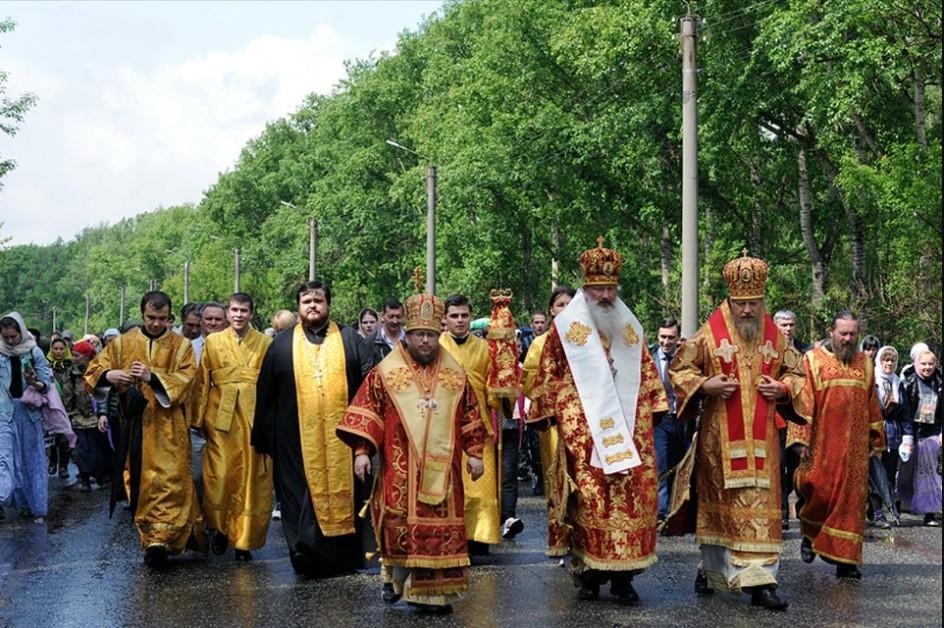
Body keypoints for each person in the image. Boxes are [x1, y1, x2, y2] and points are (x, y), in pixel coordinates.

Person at [529, 238, 666, 605]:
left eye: (610, 288)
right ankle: (588, 573)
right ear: (585, 290)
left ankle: (624, 577)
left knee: (631, 500)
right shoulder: (564, 328)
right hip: (584, 432)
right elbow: (549, 374)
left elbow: (647, 373)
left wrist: (654, 407)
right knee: (588, 502)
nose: (605, 295)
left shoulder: (630, 327)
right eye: (597, 288)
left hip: (630, 433)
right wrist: (557, 413)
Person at [669, 253, 806, 611]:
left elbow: (799, 376)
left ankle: (762, 582)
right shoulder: (709, 334)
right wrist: (705, 385)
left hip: (763, 443)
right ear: (731, 299)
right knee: (722, 511)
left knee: (761, 509)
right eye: (742, 303)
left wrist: (784, 389)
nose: (747, 310)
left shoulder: (776, 338)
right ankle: (714, 569)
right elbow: (680, 368)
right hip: (719, 443)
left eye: (754, 303)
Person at [337, 291, 487, 615]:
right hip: (400, 470)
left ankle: (435, 594)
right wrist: (362, 451)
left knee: (441, 530)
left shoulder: (455, 373)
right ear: (407, 333)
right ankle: (395, 580)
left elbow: (471, 414)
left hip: (443, 473)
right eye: (419, 335)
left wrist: (475, 453)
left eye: (431, 336)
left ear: (439, 334)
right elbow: (368, 411)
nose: (425, 342)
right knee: (399, 528)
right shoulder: (386, 372)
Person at [251, 281, 375, 577]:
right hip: (294, 445)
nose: (313, 306)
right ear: (298, 306)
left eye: (318, 300)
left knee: (348, 498)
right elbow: (265, 393)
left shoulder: (349, 339)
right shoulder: (281, 345)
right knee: (298, 500)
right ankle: (304, 554)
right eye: (306, 301)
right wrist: (265, 440)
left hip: (344, 443)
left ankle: (342, 559)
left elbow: (369, 389)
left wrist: (366, 443)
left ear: (328, 304)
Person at [85, 291, 205, 567]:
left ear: (169, 317)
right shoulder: (124, 343)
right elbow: (93, 371)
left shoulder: (181, 345)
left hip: (170, 424)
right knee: (141, 480)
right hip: (137, 425)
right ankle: (152, 540)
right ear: (142, 314)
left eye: (162, 319)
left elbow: (188, 379)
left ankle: (168, 538)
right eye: (151, 317)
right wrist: (109, 375)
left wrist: (153, 378)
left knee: (171, 480)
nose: (156, 324)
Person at [790, 311, 885, 579]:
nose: (848, 338)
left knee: (852, 504)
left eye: (853, 333)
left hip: (854, 449)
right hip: (821, 446)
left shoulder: (865, 364)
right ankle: (809, 535)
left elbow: (872, 403)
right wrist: (800, 439)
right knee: (816, 493)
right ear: (832, 331)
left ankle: (847, 561)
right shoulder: (812, 360)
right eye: (843, 333)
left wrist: (875, 439)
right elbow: (803, 400)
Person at [191, 292, 272, 561]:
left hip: (253, 416)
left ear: (251, 313)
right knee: (220, 475)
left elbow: (272, 383)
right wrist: (198, 418)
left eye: (244, 311)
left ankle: (243, 540)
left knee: (250, 478)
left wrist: (271, 419)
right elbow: (202, 382)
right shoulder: (213, 342)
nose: (238, 315)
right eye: (234, 310)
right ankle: (219, 527)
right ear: (228, 313)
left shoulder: (264, 342)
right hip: (220, 418)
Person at [440, 294, 502, 553]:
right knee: (451, 484)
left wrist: (501, 391)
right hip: (445, 426)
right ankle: (451, 536)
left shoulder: (485, 348)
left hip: (480, 424)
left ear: (470, 316)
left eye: (464, 315)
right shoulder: (437, 345)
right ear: (445, 319)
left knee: (480, 484)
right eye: (454, 316)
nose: (460, 320)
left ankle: (479, 538)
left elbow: (494, 387)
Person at [522, 286, 575, 528]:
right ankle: (558, 529)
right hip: (553, 420)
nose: (565, 309)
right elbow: (528, 381)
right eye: (560, 305)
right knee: (555, 474)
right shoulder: (540, 343)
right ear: (552, 310)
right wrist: (554, 392)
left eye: (569, 304)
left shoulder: (587, 338)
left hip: (585, 419)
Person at [0, 312, 54, 523]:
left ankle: (32, 505)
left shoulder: (33, 351)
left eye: (14, 336)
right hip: (3, 411)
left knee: (31, 460)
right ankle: (3, 498)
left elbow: (46, 383)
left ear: (21, 332)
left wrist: (34, 382)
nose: (11, 341)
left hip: (28, 411)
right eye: (6, 338)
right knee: (5, 458)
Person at [772, 309, 810, 530]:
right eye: (783, 325)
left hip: (799, 418)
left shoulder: (806, 351)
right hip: (776, 417)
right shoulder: (768, 349)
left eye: (791, 325)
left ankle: (805, 512)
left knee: (799, 469)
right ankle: (782, 513)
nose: (788, 329)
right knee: (778, 467)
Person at [898, 349, 942, 526]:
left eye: (930, 364)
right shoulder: (908, 382)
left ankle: (929, 513)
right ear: (917, 364)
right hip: (911, 433)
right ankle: (896, 508)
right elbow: (905, 412)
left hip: (931, 433)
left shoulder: (940, 382)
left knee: (929, 474)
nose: (927, 367)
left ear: (936, 364)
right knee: (905, 473)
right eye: (923, 363)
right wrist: (907, 437)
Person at [651, 316, 687, 525]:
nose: (666, 342)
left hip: (682, 418)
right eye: (663, 337)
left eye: (671, 338)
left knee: (679, 465)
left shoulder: (685, 360)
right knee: (660, 466)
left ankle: (677, 512)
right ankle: (661, 513)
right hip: (659, 420)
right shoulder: (648, 358)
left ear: (677, 338)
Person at [63, 340, 111, 492]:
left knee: (97, 450)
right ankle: (84, 480)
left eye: (77, 355)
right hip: (78, 416)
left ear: (86, 356)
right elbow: (67, 395)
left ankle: (100, 476)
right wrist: (68, 414)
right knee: (81, 450)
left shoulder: (98, 371)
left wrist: (103, 413)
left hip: (96, 417)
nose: (74, 358)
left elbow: (103, 394)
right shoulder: (71, 373)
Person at [870, 345, 909, 528]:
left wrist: (907, 437)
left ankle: (891, 510)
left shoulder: (898, 383)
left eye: (892, 360)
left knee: (890, 472)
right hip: (875, 430)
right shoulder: (872, 380)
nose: (889, 363)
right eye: (886, 360)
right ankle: (877, 514)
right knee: (876, 472)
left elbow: (905, 413)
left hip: (893, 433)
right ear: (880, 361)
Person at [46, 337, 74, 478]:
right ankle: (52, 462)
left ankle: (63, 466)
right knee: (52, 438)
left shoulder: (71, 366)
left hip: (68, 407)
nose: (58, 352)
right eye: (55, 349)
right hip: (51, 406)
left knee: (65, 439)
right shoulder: (46, 365)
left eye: (61, 349)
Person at [366, 299, 405, 363]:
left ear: (403, 317)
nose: (395, 321)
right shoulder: (371, 342)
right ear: (382, 316)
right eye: (391, 317)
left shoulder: (409, 340)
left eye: (398, 317)